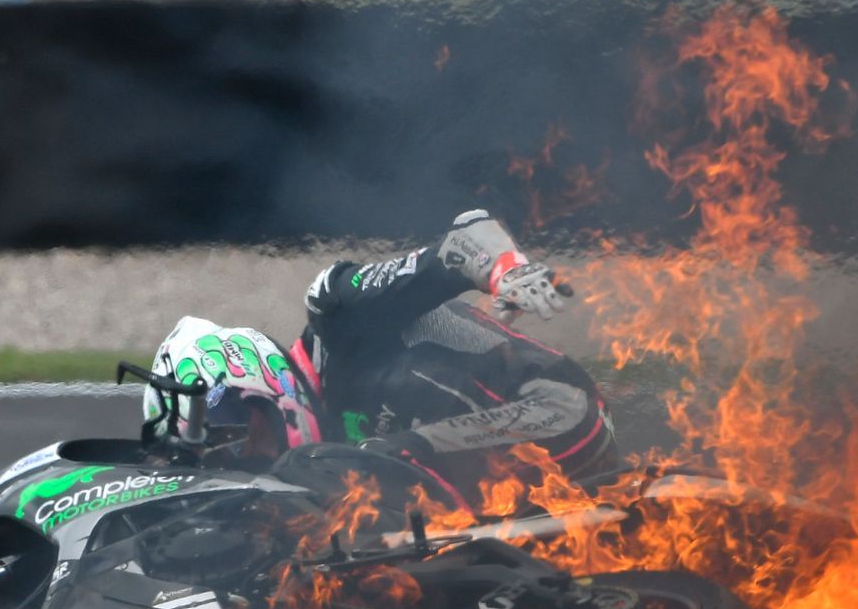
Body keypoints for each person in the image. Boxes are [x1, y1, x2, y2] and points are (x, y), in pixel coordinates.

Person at [142, 210, 617, 510]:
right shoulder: (325, 463)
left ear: (248, 376)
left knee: (355, 462)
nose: (251, 453)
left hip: (559, 409)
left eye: (235, 433)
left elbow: (466, 236)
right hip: (541, 500)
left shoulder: (338, 320)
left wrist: (505, 270)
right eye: (229, 458)